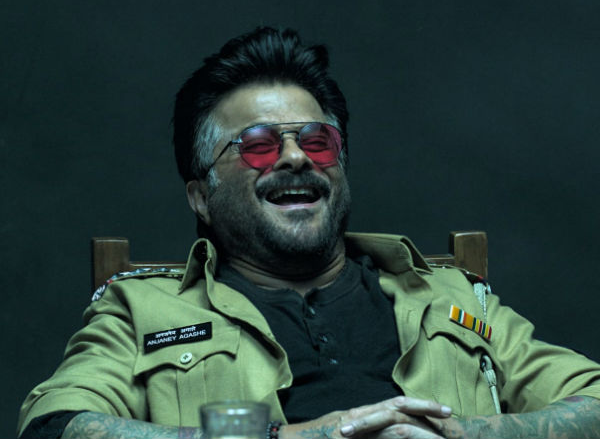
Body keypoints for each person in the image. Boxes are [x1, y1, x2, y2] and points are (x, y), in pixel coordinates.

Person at [17, 27, 600, 439]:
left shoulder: (454, 297)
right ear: (201, 196)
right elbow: (54, 425)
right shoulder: (140, 310)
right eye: (258, 145)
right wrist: (287, 437)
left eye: (317, 141)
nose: (296, 157)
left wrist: (463, 433)